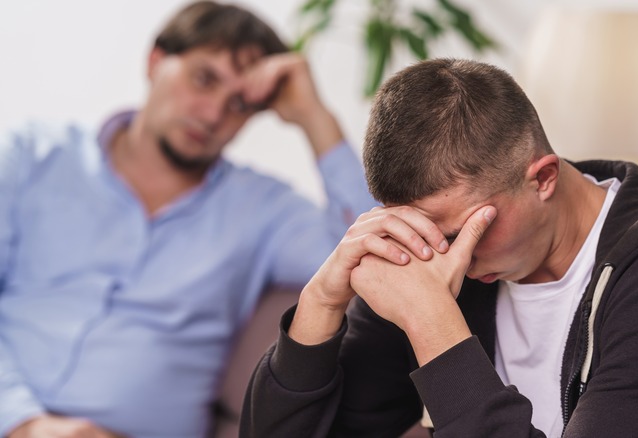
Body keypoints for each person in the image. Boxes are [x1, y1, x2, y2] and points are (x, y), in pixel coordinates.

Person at [240, 58, 638, 437]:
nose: (450, 259)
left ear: (542, 178)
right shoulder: (435, 255)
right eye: (421, 232)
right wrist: (322, 303)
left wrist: (432, 321)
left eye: (465, 230)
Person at [0, 1, 377, 437]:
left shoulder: (263, 209)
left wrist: (315, 116)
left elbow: (378, 253)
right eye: (204, 79)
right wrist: (24, 422)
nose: (214, 113)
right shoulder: (32, 156)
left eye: (238, 103)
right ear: (156, 61)